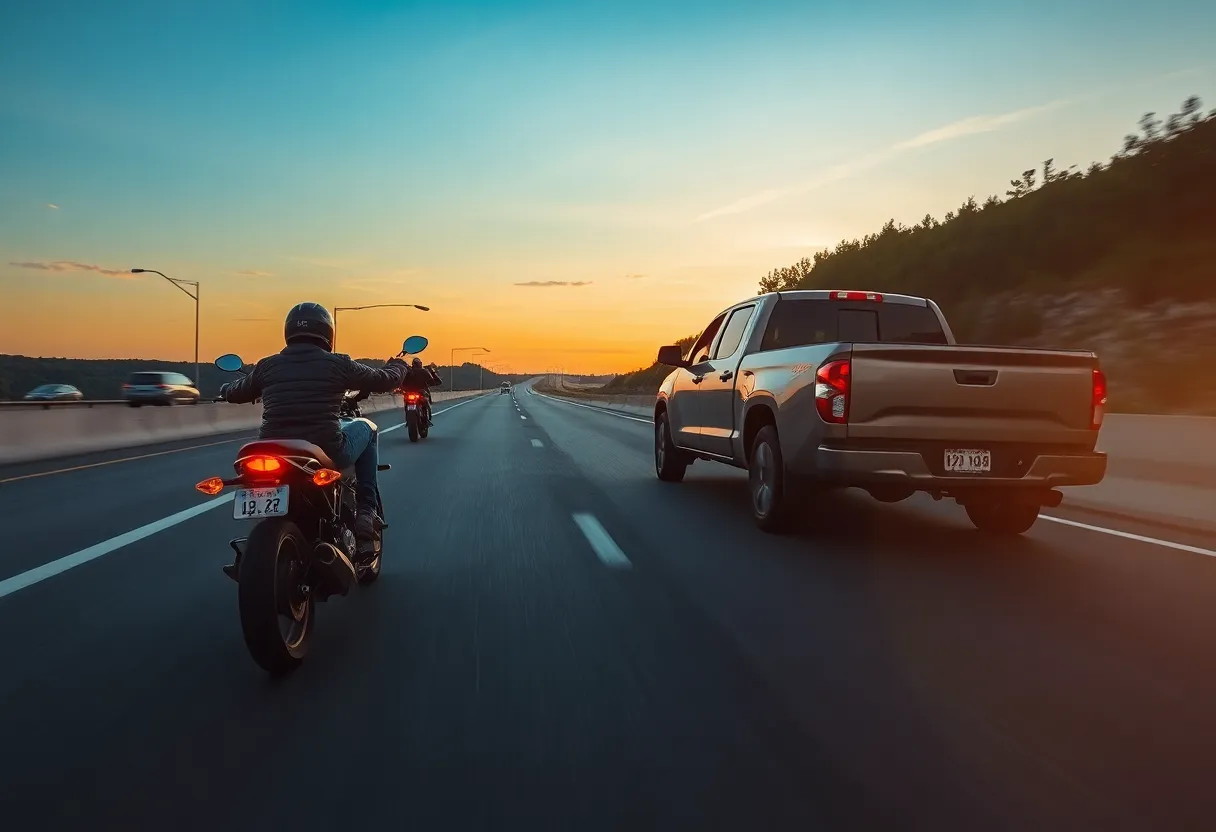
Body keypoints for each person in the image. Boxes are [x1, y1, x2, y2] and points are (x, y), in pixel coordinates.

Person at [218, 302, 408, 542]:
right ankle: (366, 510)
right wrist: (399, 366)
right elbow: (383, 380)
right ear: (327, 332)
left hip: (274, 449)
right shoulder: (338, 364)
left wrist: (224, 389)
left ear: (288, 332)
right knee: (367, 428)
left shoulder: (266, 366)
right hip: (327, 448)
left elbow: (236, 392)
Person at [399, 357, 443, 426]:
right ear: (420, 364)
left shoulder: (407, 372)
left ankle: (409, 420)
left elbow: (401, 382)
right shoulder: (424, 371)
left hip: (409, 393)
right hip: (419, 393)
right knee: (425, 403)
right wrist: (432, 372)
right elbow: (436, 382)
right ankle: (426, 419)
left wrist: (401, 389)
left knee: (407, 403)